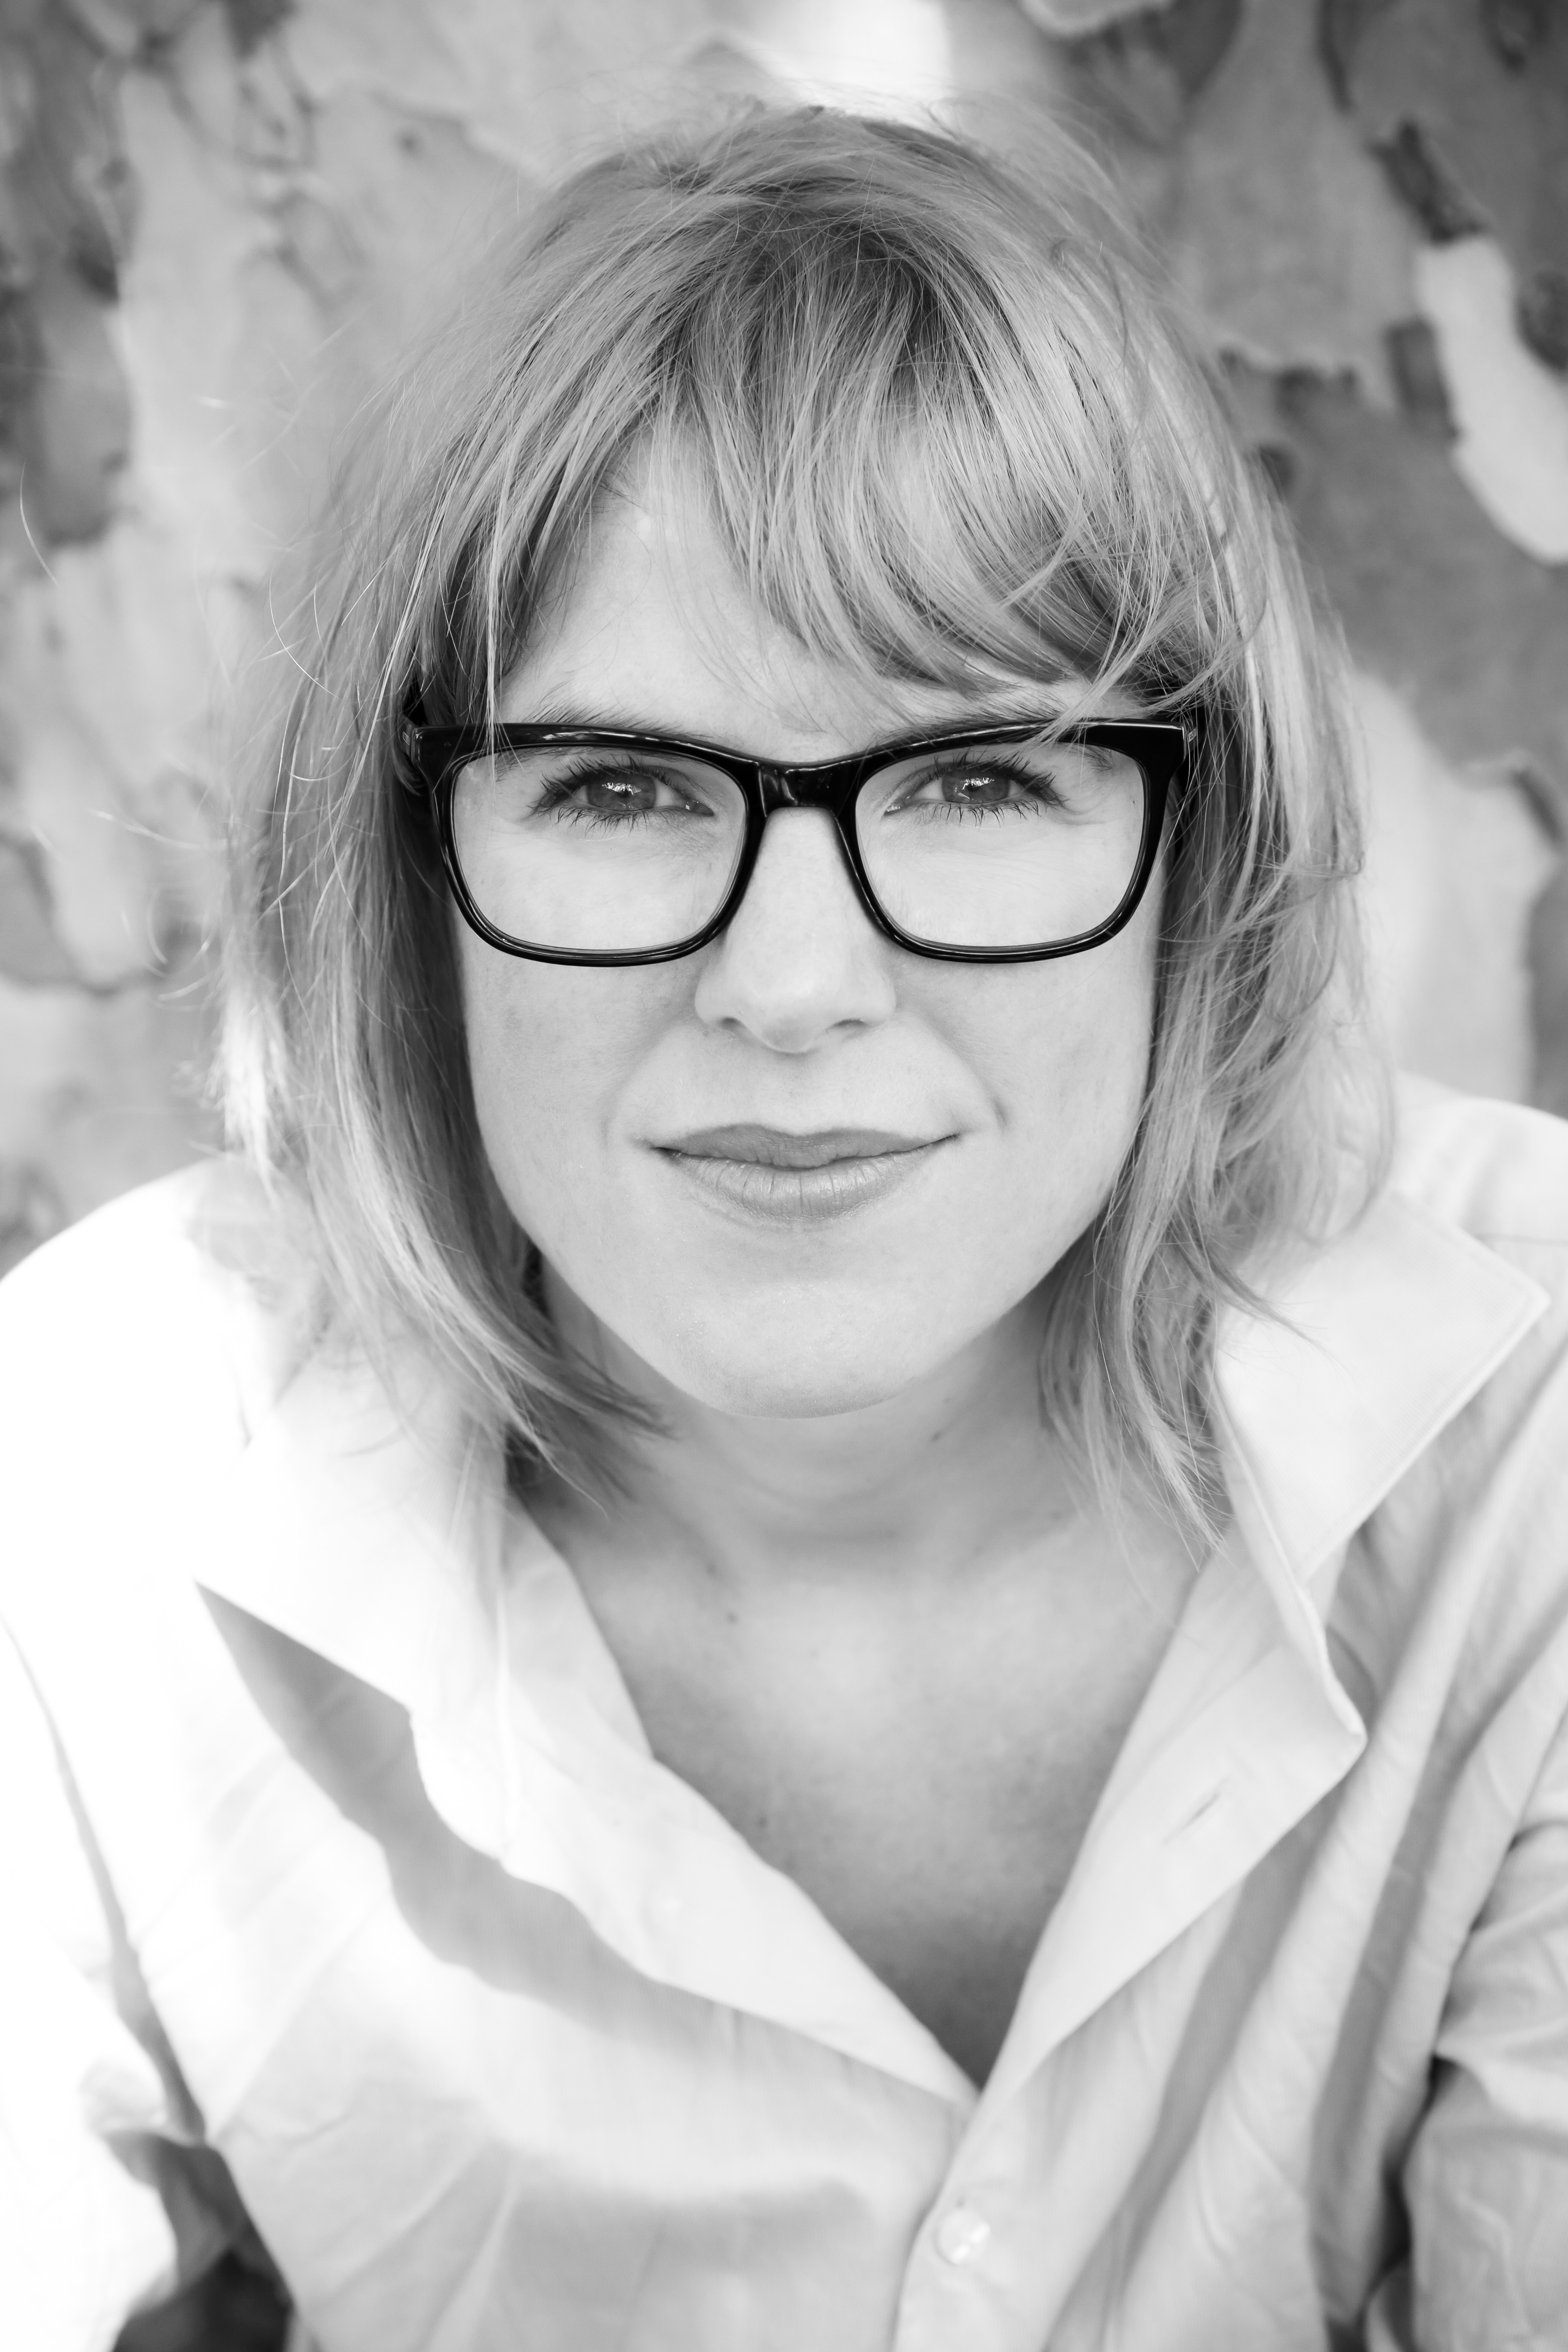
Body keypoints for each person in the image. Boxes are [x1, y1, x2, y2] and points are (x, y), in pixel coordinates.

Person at [2, 103, 1566, 2352]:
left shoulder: (1531, 1441)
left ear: (1200, 853)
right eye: (623, 788)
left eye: (976, 777)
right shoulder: (98, 1478)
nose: (795, 983)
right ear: (410, 868)